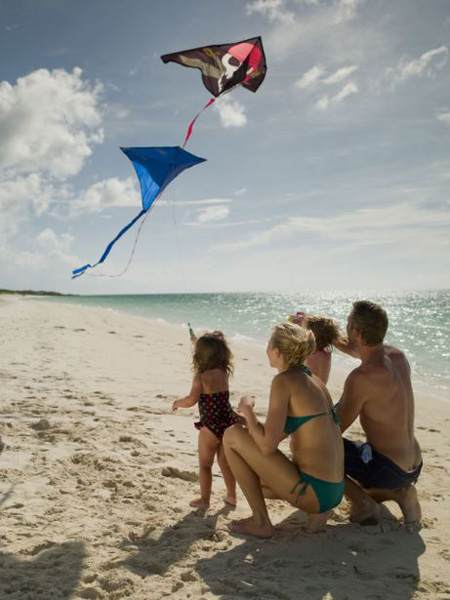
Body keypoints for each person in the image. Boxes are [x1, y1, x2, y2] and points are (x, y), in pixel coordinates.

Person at [223, 322, 344, 538]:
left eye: (268, 345)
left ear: (277, 352)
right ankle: (315, 511)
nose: (266, 349)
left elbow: (268, 446)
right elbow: (276, 434)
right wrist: (250, 423)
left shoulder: (283, 381)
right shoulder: (313, 380)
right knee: (254, 476)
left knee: (231, 436)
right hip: (332, 491)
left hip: (313, 492)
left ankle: (261, 522)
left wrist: (248, 410)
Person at [334, 300, 423, 525]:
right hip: (414, 464)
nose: (345, 324)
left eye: (347, 321)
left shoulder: (361, 377)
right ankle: (400, 492)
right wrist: (328, 335)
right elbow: (360, 351)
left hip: (387, 468)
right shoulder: (397, 356)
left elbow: (335, 427)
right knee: (361, 453)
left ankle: (364, 502)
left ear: (355, 332)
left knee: (321, 448)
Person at [172, 330, 240, 509]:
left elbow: (191, 400)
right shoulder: (224, 372)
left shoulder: (200, 377)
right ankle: (232, 496)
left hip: (210, 427)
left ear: (199, 355)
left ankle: (205, 500)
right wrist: (197, 341)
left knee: (205, 465)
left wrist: (177, 403)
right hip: (227, 424)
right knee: (225, 464)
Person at [289, 313, 341, 384]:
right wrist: (306, 318)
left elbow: (291, 325)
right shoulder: (327, 351)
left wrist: (294, 320)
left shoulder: (308, 351)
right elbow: (320, 327)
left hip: (307, 390)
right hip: (321, 390)